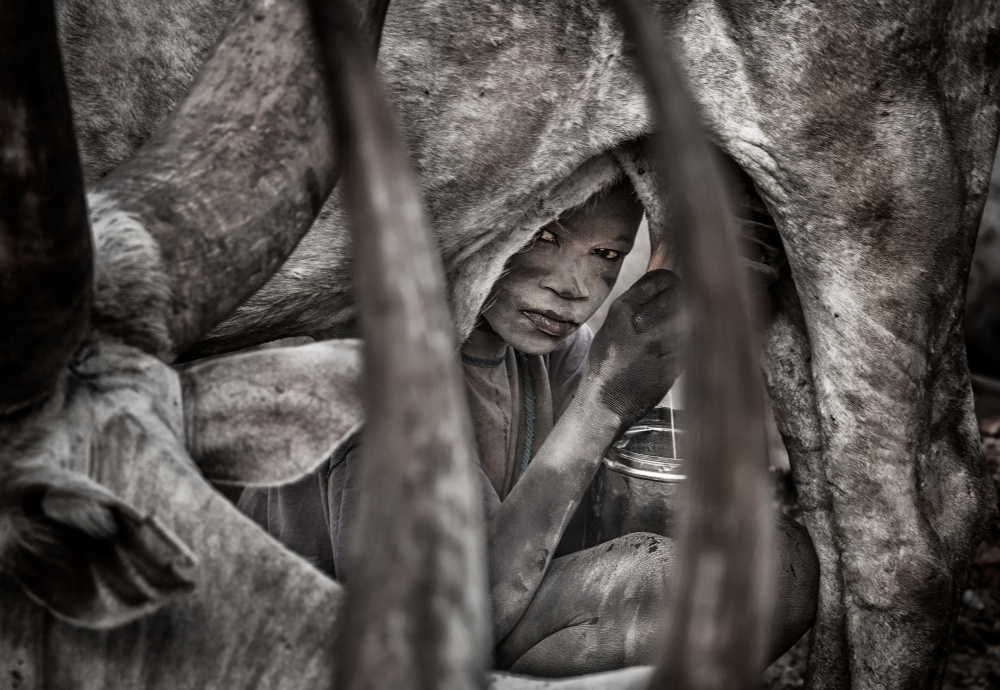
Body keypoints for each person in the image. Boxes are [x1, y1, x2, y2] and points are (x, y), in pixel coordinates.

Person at [239, 176, 818, 676]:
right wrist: (601, 404)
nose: (575, 286)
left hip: (484, 618)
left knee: (775, 565)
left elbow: (603, 507)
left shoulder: (551, 352)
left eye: (606, 254)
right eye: (545, 237)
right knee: (657, 585)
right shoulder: (372, 365)